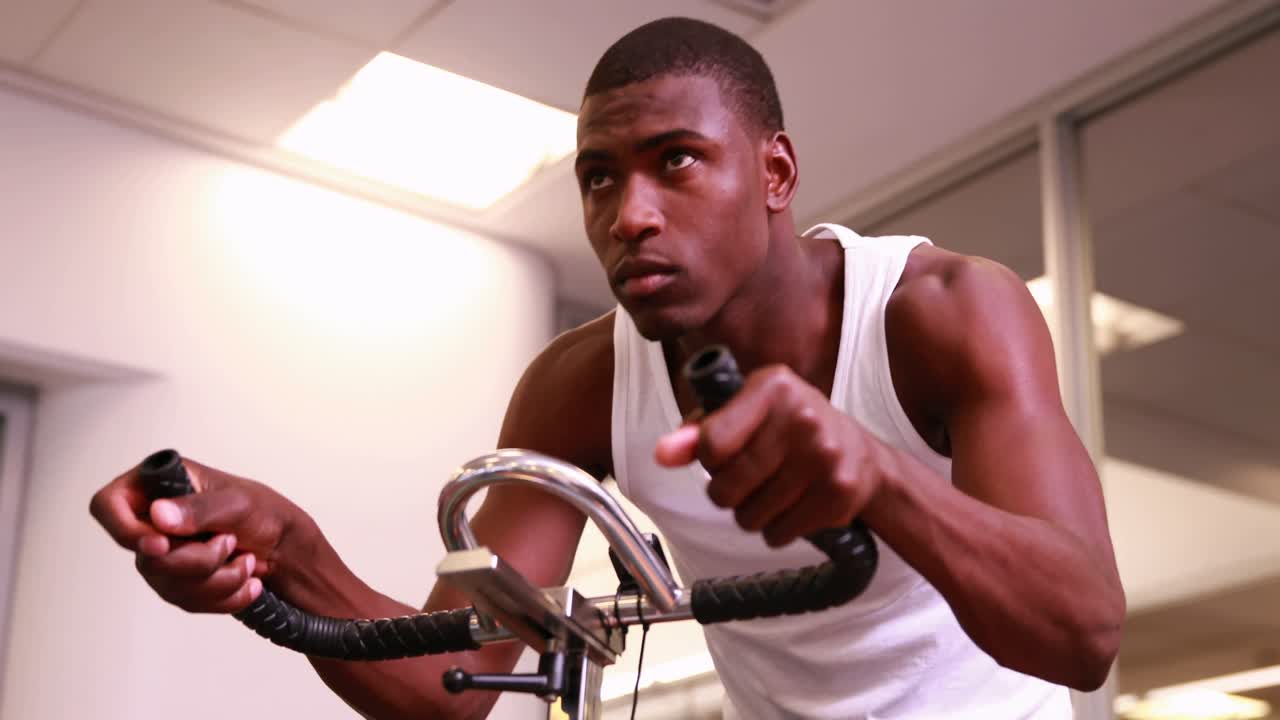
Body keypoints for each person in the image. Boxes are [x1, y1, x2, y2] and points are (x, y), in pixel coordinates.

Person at [89, 16, 1125, 720]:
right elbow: (458, 684)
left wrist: (876, 473)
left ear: (773, 171)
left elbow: (1081, 631)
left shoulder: (938, 312)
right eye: (596, 177)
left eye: (675, 160)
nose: (627, 216)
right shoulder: (581, 386)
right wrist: (284, 556)